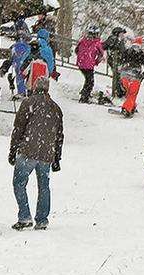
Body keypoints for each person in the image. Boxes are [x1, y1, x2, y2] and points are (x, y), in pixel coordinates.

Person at [9, 76, 63, 230]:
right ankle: (42, 219)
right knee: (44, 186)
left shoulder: (28, 103)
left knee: (19, 183)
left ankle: (25, 216)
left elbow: (18, 128)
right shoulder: (55, 108)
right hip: (47, 154)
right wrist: (57, 157)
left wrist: (13, 150)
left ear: (35, 87)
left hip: (28, 150)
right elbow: (59, 135)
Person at [117, 38, 144, 117]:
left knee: (129, 93)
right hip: (135, 76)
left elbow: (120, 62)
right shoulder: (141, 54)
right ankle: (126, 108)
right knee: (133, 94)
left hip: (124, 75)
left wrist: (121, 72)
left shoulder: (127, 51)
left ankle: (132, 106)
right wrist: (143, 75)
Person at [75, 26, 105, 104]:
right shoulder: (97, 43)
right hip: (89, 64)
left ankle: (84, 93)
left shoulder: (83, 40)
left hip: (81, 63)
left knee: (88, 79)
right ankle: (84, 97)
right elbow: (101, 54)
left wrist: (81, 57)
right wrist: (96, 62)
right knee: (90, 82)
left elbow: (76, 50)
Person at [102, 27, 128, 97]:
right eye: (121, 33)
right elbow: (104, 46)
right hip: (115, 61)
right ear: (117, 33)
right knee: (117, 76)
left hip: (119, 61)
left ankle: (119, 92)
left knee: (119, 76)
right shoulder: (113, 39)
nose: (123, 35)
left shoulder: (120, 40)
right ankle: (118, 92)